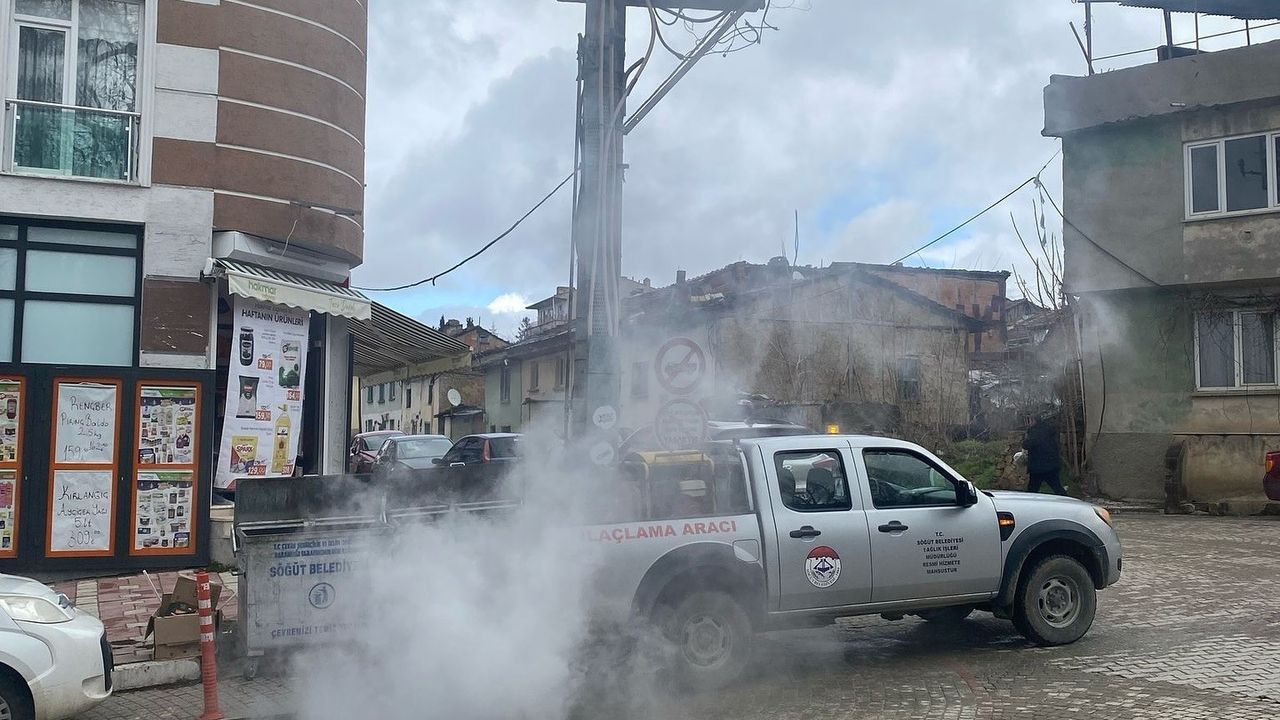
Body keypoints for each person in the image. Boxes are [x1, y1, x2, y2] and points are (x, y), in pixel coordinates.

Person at [1022, 411, 1067, 496]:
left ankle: (1029, 505)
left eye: (1030, 420)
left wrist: (1026, 438)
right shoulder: (1048, 429)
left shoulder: (1034, 431)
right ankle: (1068, 502)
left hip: (1038, 467)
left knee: (1032, 490)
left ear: (1034, 420)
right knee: (1057, 487)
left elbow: (1027, 444)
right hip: (1052, 464)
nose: (1028, 423)